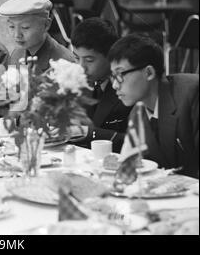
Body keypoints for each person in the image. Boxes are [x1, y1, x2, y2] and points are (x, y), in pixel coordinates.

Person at [108, 34, 198, 178]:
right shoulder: (136, 115)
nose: (114, 85)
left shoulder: (191, 93)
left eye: (120, 75)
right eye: (112, 76)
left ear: (148, 72)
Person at [70, 18, 132, 152]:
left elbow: (139, 143)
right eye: (76, 58)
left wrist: (90, 133)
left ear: (110, 55)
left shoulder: (129, 85)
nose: (81, 67)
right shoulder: (78, 81)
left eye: (89, 60)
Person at [0, 0, 75, 73]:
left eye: (25, 27)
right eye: (12, 27)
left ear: (46, 25)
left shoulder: (64, 64)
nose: (17, 35)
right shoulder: (17, 55)